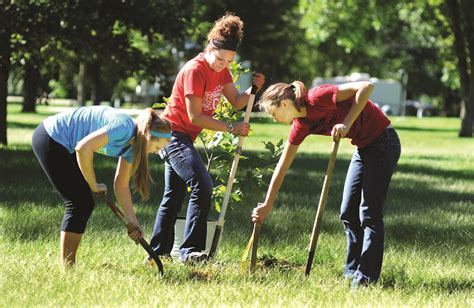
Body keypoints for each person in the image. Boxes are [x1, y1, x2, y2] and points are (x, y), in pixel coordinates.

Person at [252, 81, 401, 288]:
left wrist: (347, 123)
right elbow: (282, 166)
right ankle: (352, 273)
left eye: (273, 113)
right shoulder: (300, 125)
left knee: (369, 213)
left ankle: (366, 279)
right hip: (364, 148)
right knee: (348, 212)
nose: (274, 119)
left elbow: (366, 87)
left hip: (384, 142)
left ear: (284, 103)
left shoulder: (317, 97)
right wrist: (267, 203)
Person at [149, 13, 265, 263]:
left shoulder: (221, 72)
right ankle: (190, 252)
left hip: (184, 138)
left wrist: (253, 89)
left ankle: (157, 253)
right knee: (202, 184)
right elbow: (195, 117)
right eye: (220, 58)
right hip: (173, 135)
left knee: (174, 195)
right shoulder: (195, 70)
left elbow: (236, 102)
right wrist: (231, 128)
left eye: (229, 61)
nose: (223, 64)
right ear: (210, 48)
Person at [32, 106, 171, 269]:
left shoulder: (134, 146)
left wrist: (133, 223)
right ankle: (68, 269)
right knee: (80, 203)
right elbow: (83, 148)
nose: (157, 153)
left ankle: (68, 267)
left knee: (82, 203)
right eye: (157, 148)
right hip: (51, 136)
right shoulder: (124, 127)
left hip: (65, 144)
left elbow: (121, 184)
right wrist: (93, 184)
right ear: (148, 137)